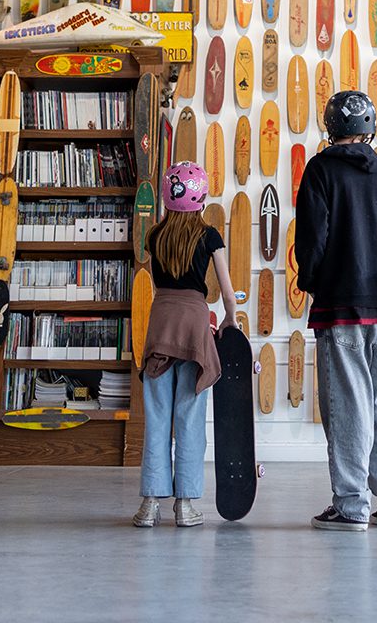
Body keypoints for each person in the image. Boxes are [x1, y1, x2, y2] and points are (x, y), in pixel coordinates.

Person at [294, 91, 377, 532]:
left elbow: (313, 242)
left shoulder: (320, 171)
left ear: (331, 127)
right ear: (370, 128)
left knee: (348, 407)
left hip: (340, 306)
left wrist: (310, 281)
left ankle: (351, 505)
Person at [131, 162, 239, 529]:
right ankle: (185, 505)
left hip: (160, 323)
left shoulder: (155, 235)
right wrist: (229, 319)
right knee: (189, 418)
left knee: (157, 416)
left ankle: (149, 505)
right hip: (194, 325)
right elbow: (226, 289)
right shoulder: (209, 236)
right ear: (202, 197)